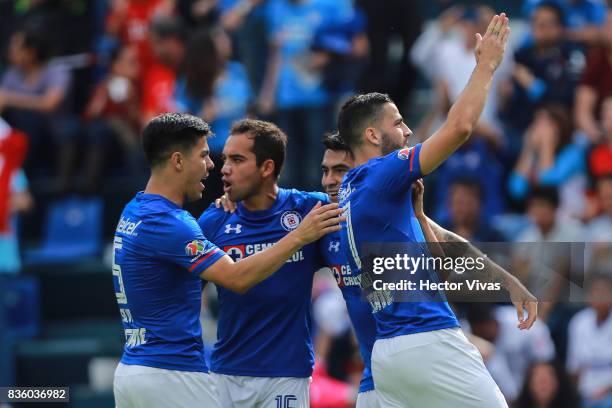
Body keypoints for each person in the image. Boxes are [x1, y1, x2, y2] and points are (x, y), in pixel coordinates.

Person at [336, 14, 537, 407]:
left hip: (387, 356)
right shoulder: (381, 174)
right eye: (399, 122)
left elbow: (442, 245)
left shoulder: (349, 190)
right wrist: (486, 66)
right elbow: (460, 127)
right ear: (372, 135)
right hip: (425, 338)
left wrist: (507, 282)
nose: (408, 131)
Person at [111, 113, 343, 407]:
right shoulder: (192, 222)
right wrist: (299, 236)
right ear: (178, 160)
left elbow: (357, 266)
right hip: (179, 371)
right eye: (207, 155)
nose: (216, 167)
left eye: (235, 159)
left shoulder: (134, 210)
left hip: (140, 368)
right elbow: (234, 278)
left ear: (267, 167)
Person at [196, 119, 336, 407]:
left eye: (237, 160)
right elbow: (186, 295)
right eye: (225, 160)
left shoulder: (309, 209)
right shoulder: (214, 220)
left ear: (267, 167)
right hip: (226, 376)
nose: (224, 169)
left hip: (287, 375)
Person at [566, 274, 612, 408]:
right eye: (595, 292)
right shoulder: (579, 322)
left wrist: (607, 390)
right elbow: (573, 368)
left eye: (604, 292)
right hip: (585, 395)